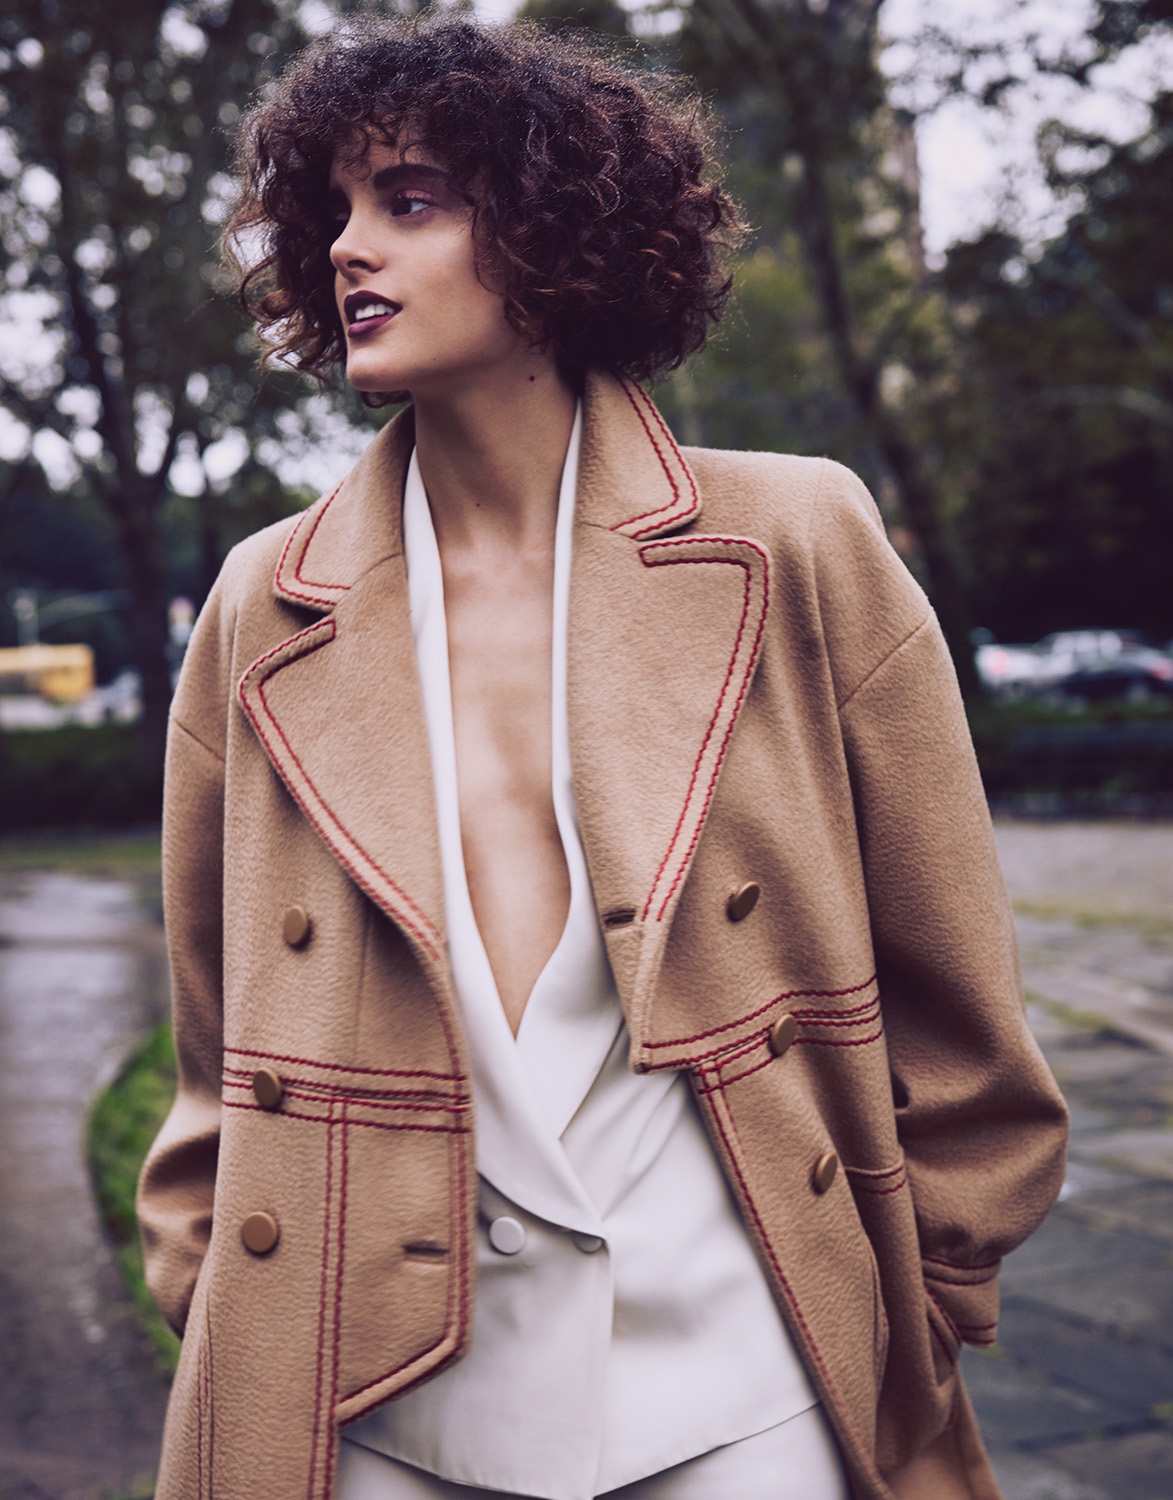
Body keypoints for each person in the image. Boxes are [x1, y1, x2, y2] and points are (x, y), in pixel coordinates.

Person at [136, 16, 1068, 1500]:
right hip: (371, 1389)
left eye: (411, 200)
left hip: (745, 1372)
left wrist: (938, 1268)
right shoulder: (270, 601)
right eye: (337, 210)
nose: (348, 247)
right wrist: (208, 1274)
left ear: (553, 231)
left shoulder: (793, 539)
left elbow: (952, 969)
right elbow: (216, 1012)